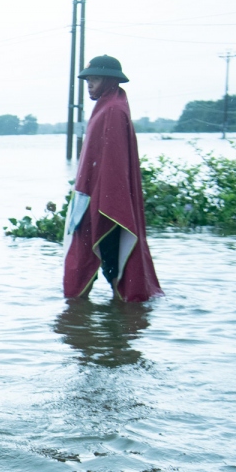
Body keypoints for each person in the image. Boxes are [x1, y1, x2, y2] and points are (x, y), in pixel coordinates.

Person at [63, 55, 162, 302]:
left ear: (109, 81)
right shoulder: (106, 107)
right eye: (87, 81)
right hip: (92, 198)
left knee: (112, 258)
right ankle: (116, 315)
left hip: (106, 202)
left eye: (94, 80)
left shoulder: (114, 111)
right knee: (98, 257)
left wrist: (105, 202)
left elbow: (114, 165)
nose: (89, 85)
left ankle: (123, 317)